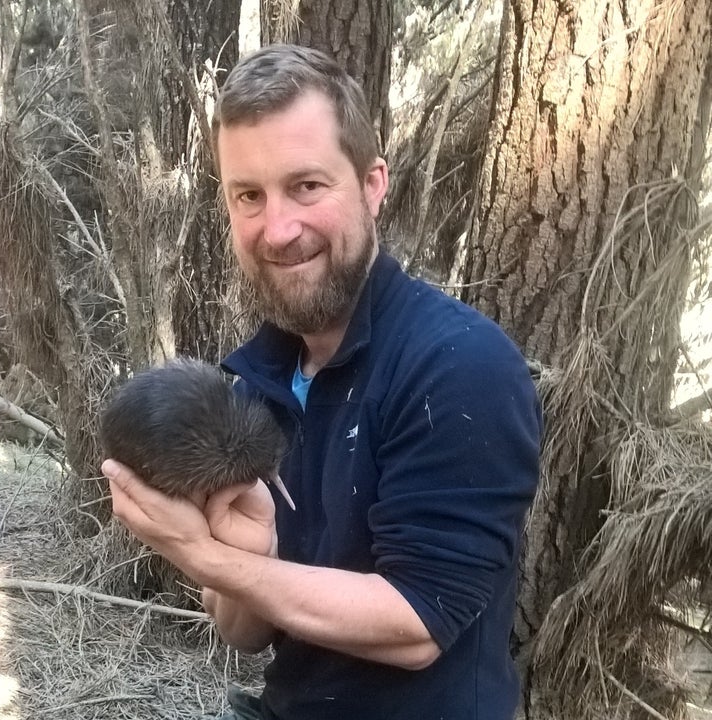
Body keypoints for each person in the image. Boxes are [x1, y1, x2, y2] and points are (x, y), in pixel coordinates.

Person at [103, 44, 542, 720]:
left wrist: (202, 555)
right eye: (248, 195)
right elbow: (243, 632)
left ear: (372, 184)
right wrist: (248, 551)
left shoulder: (457, 363)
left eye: (306, 185)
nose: (277, 228)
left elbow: (418, 624)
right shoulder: (259, 383)